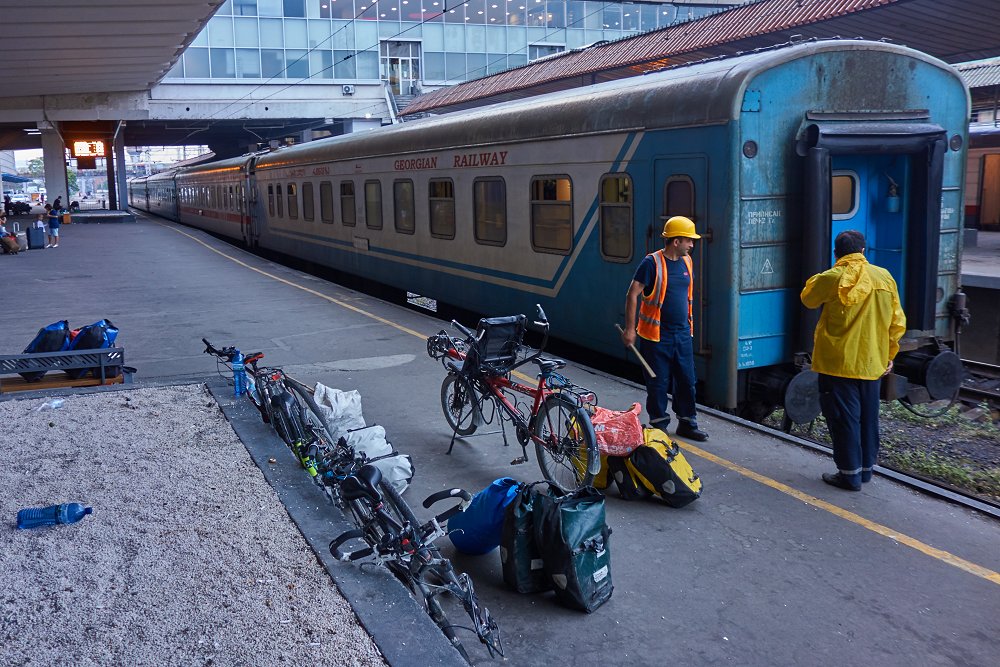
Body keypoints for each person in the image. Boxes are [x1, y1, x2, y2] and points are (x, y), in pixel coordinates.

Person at [801, 230, 906, 491]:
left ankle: (849, 475)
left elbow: (808, 298)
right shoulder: (884, 277)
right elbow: (897, 322)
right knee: (868, 418)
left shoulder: (832, 278)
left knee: (844, 419)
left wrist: (830, 271)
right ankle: (866, 471)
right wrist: (889, 355)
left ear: (836, 253)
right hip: (872, 363)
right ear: (863, 251)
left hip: (839, 363)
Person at [622, 215, 708, 442]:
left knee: (687, 380)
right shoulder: (651, 263)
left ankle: (687, 423)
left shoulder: (687, 262)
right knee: (658, 383)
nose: (692, 245)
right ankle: (659, 426)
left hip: (682, 334)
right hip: (656, 336)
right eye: (689, 240)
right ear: (676, 241)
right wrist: (630, 329)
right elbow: (632, 294)